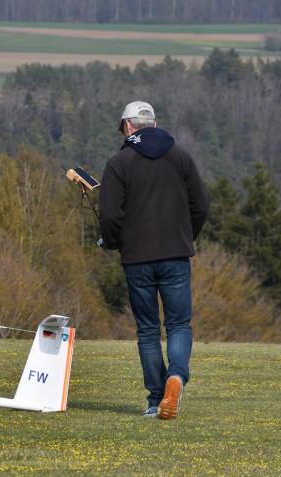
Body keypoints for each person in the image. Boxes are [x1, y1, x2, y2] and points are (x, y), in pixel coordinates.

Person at [98, 101, 210, 420]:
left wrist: (115, 242)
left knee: (148, 331)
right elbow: (201, 206)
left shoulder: (118, 163)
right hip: (176, 254)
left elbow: (110, 216)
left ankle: (155, 400)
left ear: (128, 126)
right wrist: (186, 236)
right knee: (178, 325)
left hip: (137, 258)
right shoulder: (180, 157)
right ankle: (177, 376)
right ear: (154, 124)